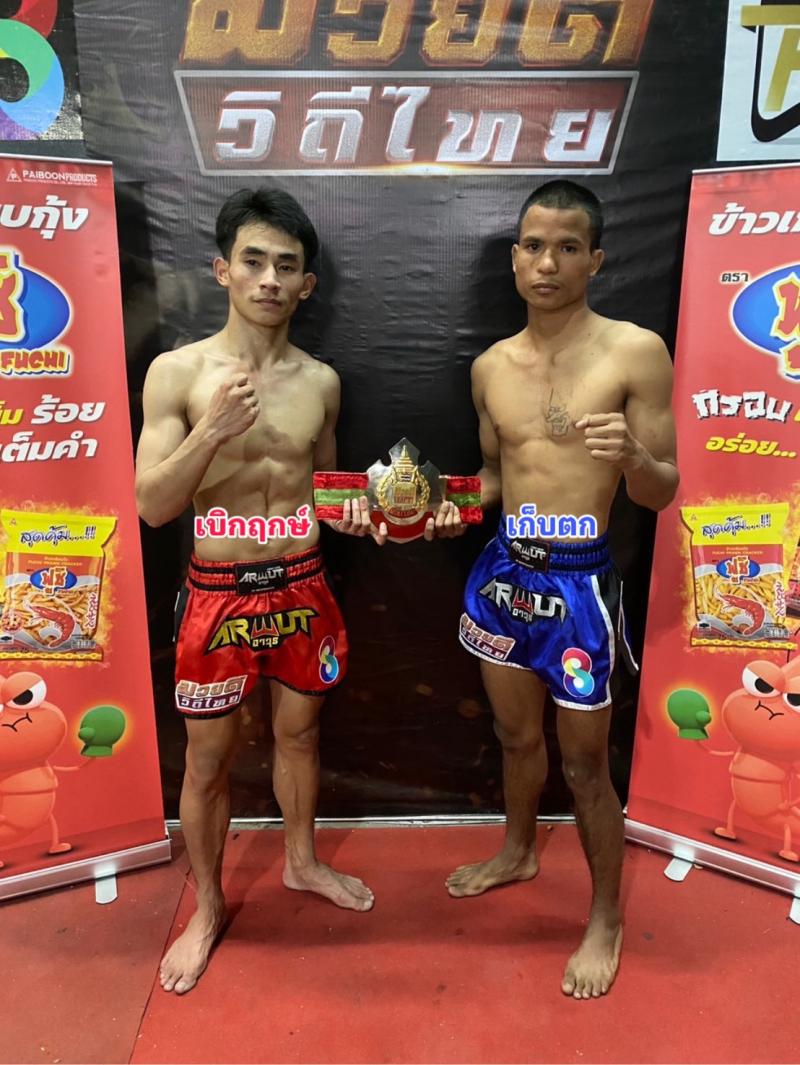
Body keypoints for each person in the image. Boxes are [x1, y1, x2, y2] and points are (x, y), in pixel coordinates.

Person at [135, 187, 384, 996]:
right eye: (254, 261)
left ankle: (301, 860)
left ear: (307, 283)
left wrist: (371, 514)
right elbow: (152, 505)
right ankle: (207, 906)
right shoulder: (177, 372)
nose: (269, 278)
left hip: (304, 585)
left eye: (286, 265)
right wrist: (212, 430)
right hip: (218, 592)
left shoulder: (322, 381)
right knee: (208, 760)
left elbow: (325, 491)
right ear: (223, 270)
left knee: (300, 737)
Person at [448, 180, 678, 999]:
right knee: (515, 739)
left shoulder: (635, 352)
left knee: (584, 768)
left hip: (580, 588)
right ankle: (517, 850)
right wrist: (428, 507)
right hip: (504, 577)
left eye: (568, 247)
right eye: (535, 246)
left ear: (595, 260)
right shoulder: (489, 367)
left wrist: (635, 459)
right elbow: (490, 479)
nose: (548, 263)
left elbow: (662, 490)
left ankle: (605, 916)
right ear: (515, 258)